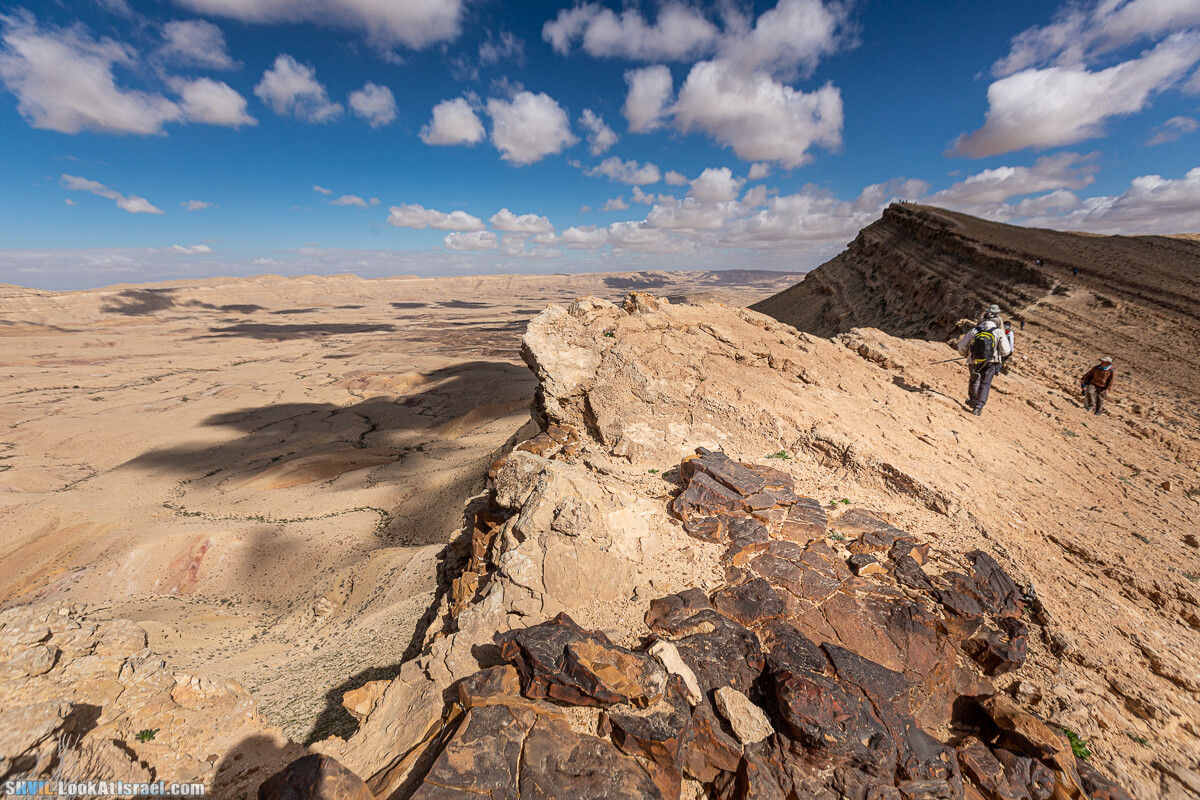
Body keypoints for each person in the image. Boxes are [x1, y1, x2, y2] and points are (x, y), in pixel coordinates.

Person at [957, 305, 1013, 416]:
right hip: (991, 361)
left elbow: (961, 346)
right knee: (985, 383)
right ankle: (978, 407)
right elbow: (1006, 351)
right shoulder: (998, 332)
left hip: (974, 360)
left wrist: (965, 354)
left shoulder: (974, 330)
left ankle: (973, 400)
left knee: (974, 379)